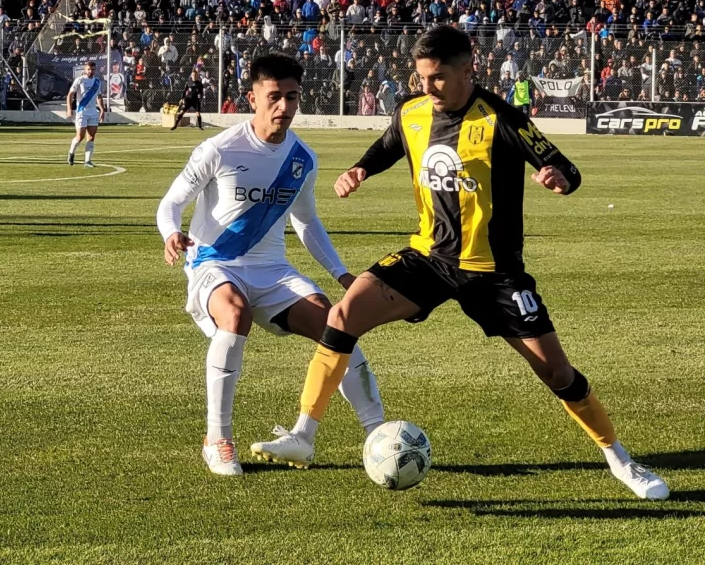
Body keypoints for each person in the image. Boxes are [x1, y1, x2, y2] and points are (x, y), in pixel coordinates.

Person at [252, 26, 669, 502]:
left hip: (494, 272)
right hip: (427, 258)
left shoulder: (502, 118)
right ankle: (304, 435)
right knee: (343, 314)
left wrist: (559, 178)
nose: (426, 87)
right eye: (421, 76)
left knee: (557, 372)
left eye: (438, 78)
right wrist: (360, 169)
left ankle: (621, 459)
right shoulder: (410, 111)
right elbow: (390, 145)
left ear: (469, 70)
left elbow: (564, 167)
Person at [156, 53, 384, 476]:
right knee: (235, 314)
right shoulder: (219, 149)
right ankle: (218, 438)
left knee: (338, 324)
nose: (283, 107)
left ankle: (379, 436)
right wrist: (171, 232)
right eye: (274, 97)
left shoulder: (303, 158)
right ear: (253, 98)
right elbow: (170, 204)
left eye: (292, 97)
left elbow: (307, 221)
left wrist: (341, 274)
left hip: (272, 269)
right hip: (215, 262)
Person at [66, 61, 105, 168]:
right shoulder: (80, 80)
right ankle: (71, 152)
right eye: (88, 69)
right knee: (80, 136)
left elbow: (99, 96)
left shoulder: (97, 81)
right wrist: (69, 109)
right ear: (85, 69)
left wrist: (102, 110)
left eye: (92, 69)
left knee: (91, 136)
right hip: (81, 111)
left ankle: (87, 161)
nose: (90, 71)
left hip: (93, 112)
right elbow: (70, 95)